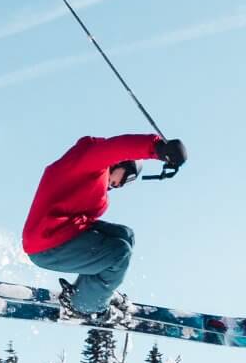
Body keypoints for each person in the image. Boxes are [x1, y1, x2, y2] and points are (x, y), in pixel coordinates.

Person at [21, 132, 187, 320]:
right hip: (47, 243)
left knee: (125, 235)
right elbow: (113, 149)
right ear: (123, 163)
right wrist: (157, 148)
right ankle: (82, 307)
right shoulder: (89, 162)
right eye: (128, 178)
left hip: (63, 234)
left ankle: (90, 292)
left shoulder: (93, 187)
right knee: (118, 254)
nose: (120, 185)